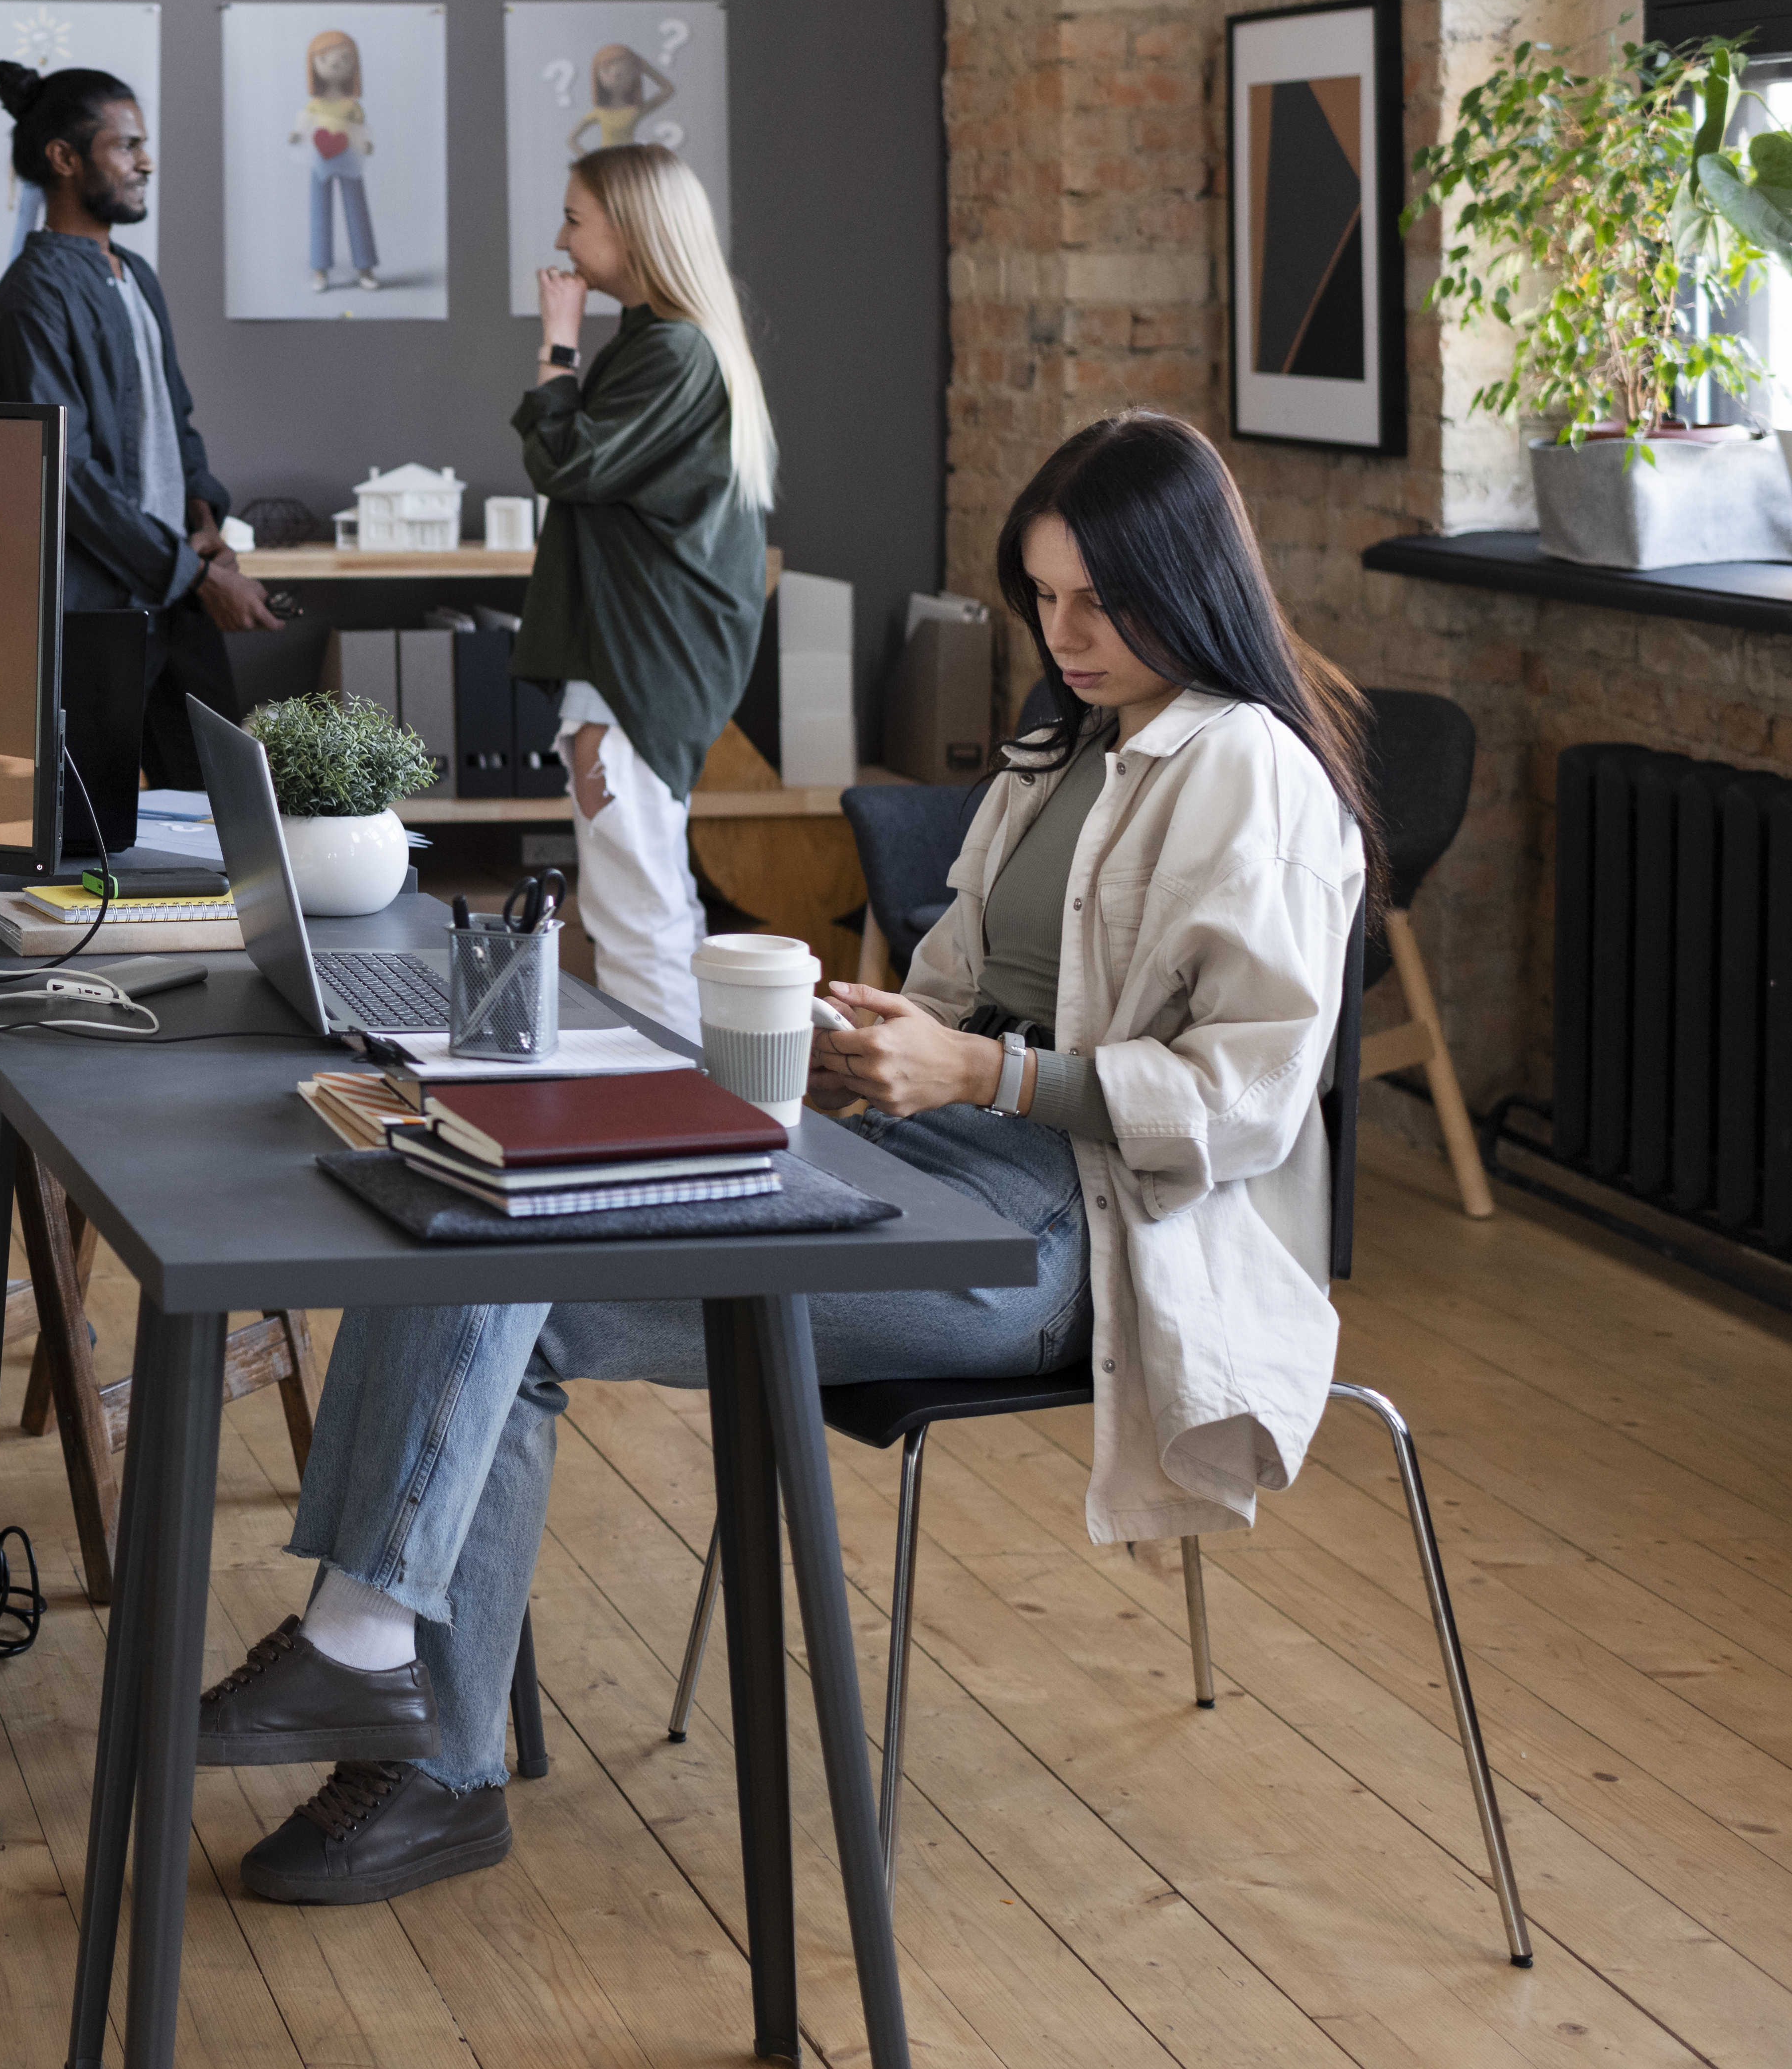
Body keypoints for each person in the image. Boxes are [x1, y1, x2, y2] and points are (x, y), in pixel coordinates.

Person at [196, 410, 1371, 1909]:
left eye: (1097, 599)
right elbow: (952, 986)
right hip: (925, 1146)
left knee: (515, 1258)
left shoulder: (1248, 773)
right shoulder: (1068, 739)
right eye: (1043, 594)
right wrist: (858, 1034)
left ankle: (370, 1674)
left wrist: (982, 1066)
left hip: (1061, 1243)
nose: (1062, 632)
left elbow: (1248, 1102)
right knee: (486, 1225)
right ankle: (426, 1752)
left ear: (1186, 581)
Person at [513, 141, 777, 1032]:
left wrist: (556, 341)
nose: (560, 235)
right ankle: (695, 1102)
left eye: (576, 218)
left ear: (630, 230)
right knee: (638, 893)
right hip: (632, 646)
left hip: (643, 653)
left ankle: (674, 1118)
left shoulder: (673, 352)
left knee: (636, 910)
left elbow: (567, 461)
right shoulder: (659, 342)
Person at [0, 60, 278, 789]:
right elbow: (67, 475)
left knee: (218, 810)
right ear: (64, 158)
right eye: (126, 146)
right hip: (98, 611)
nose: (145, 162)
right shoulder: (27, 302)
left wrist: (205, 521)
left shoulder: (136, 275)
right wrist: (194, 570)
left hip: (179, 592)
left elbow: (174, 421)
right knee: (87, 821)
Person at [295, 29, 381, 293]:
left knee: (357, 211)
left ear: (354, 65)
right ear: (313, 65)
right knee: (320, 213)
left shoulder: (353, 107)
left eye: (344, 60)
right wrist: (296, 134)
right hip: (321, 162)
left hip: (350, 161)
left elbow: (361, 131)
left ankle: (365, 267)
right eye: (326, 60)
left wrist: (366, 144)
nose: (335, 66)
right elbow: (303, 125)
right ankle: (320, 270)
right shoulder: (314, 105)